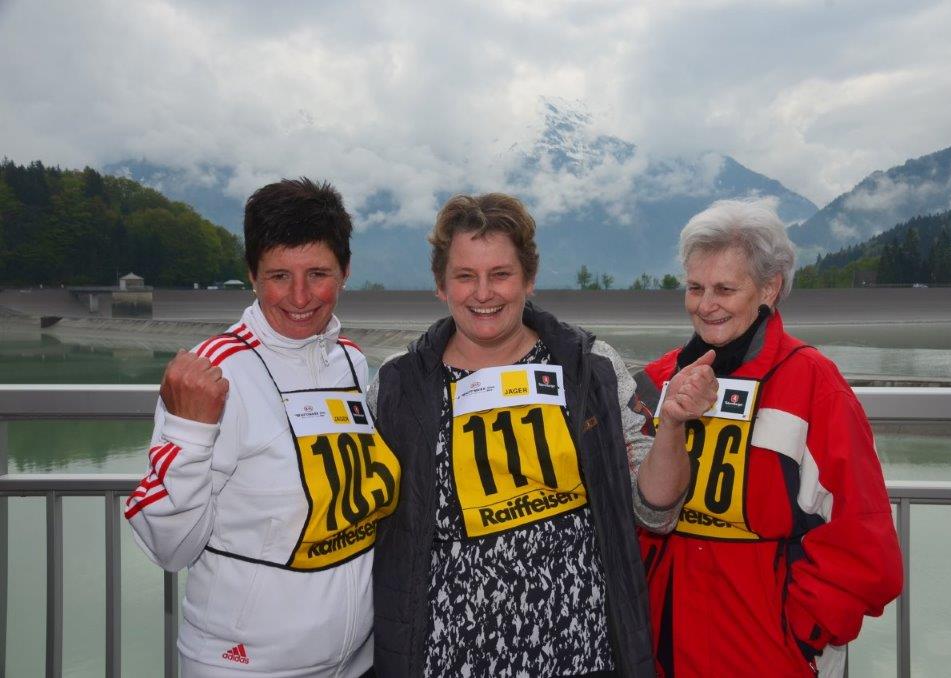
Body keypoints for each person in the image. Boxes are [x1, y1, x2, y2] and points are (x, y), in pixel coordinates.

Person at [366, 193, 716, 677]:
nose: (483, 293)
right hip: (449, 660)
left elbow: (655, 511)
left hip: (584, 656)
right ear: (441, 285)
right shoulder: (397, 387)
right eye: (465, 276)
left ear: (528, 279)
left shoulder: (589, 368)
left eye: (500, 274)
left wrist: (672, 424)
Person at [126, 178, 395, 677]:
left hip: (356, 662)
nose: (300, 296)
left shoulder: (351, 362)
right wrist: (188, 432)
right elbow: (169, 547)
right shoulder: (215, 373)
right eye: (278, 275)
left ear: (345, 272)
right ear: (252, 275)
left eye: (318, 273)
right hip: (246, 665)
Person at [634, 199, 903, 677]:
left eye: (725, 289)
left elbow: (863, 542)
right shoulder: (655, 383)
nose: (705, 305)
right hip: (663, 653)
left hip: (770, 656)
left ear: (769, 288)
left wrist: (802, 636)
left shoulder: (814, 385)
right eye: (695, 288)